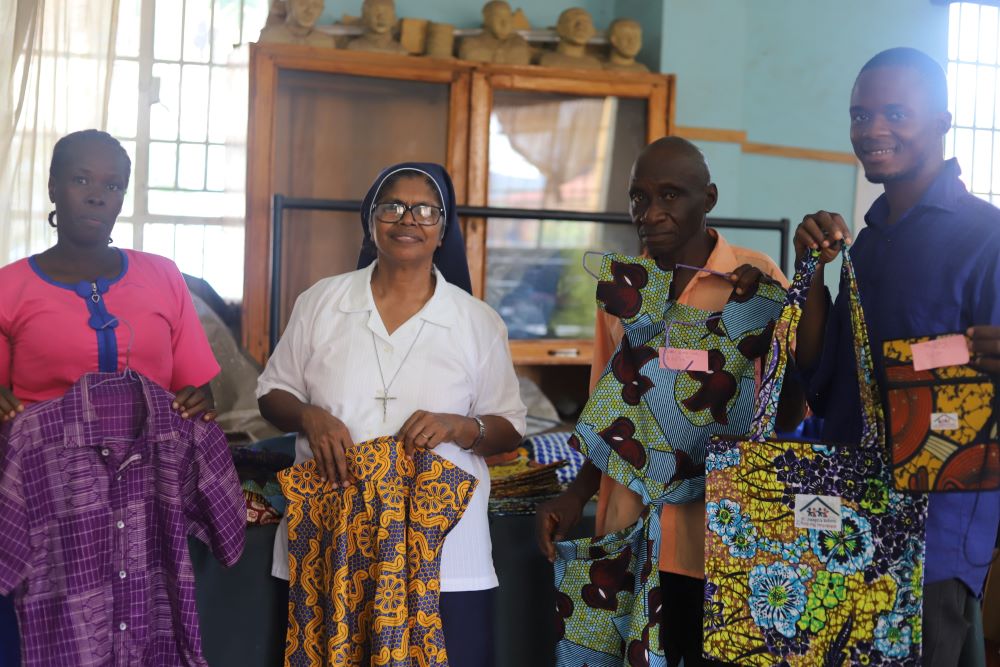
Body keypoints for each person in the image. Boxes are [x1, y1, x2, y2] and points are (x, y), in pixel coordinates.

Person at [535, 136, 804, 667]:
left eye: (670, 195)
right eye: (639, 197)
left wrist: (762, 324)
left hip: (723, 535)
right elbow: (606, 408)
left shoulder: (759, 281)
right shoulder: (624, 289)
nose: (651, 213)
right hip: (635, 528)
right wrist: (576, 495)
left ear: (709, 198)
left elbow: (790, 412)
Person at [256, 162, 526, 667]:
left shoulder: (476, 321)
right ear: (370, 221)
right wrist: (309, 416)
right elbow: (272, 393)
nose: (408, 219)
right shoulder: (322, 302)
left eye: (425, 209)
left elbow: (508, 425)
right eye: (392, 207)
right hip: (331, 547)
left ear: (443, 228)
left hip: (446, 553)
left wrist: (460, 427)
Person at [793, 47, 1000, 667]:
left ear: (942, 121)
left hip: (935, 527)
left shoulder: (985, 237)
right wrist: (811, 276)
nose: (872, 130)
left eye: (894, 113)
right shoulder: (864, 245)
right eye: (860, 115)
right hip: (847, 515)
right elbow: (821, 380)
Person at [0, 129, 221, 664]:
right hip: (52, 504)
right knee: (53, 637)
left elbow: (199, 386)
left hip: (145, 496)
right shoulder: (8, 289)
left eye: (113, 185)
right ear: (53, 187)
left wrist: (197, 397)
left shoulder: (163, 277)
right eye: (81, 180)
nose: (98, 195)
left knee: (145, 629)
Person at [458, 0, 531, 65]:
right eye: (498, 17)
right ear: (487, 20)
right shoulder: (470, 44)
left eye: (508, 17)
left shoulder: (518, 42)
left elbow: (522, 59)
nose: (504, 23)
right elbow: (471, 56)